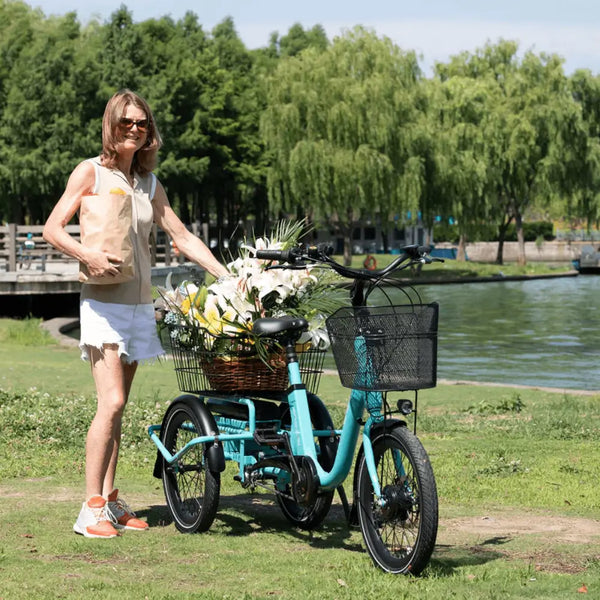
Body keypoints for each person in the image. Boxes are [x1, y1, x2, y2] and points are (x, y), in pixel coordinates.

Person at [43, 89, 228, 539]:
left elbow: (181, 236)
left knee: (119, 411)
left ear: (150, 132)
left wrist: (229, 276)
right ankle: (89, 510)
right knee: (112, 402)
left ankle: (109, 500)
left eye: (142, 123)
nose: (135, 128)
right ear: (111, 125)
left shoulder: (149, 183)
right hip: (103, 303)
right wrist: (86, 252)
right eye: (126, 121)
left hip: (138, 306)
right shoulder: (91, 172)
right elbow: (52, 227)